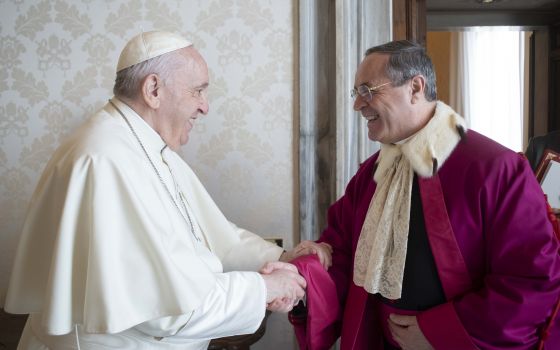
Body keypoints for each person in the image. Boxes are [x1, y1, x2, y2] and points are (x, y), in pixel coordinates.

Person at [4, 31, 332, 350]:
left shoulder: (142, 144)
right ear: (153, 89)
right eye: (197, 91)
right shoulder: (108, 160)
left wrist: (279, 258)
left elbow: (207, 233)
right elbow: (166, 309)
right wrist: (261, 289)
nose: (205, 107)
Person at [289, 40, 560, 349]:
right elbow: (340, 252)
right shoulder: (371, 174)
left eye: (368, 91)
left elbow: (530, 280)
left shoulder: (497, 168)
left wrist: (441, 332)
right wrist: (300, 278)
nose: (357, 105)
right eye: (356, 93)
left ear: (415, 87)